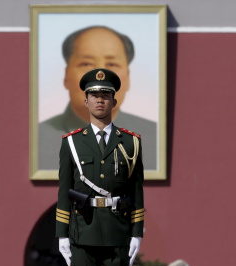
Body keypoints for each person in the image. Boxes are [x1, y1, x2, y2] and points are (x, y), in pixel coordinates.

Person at [56, 68, 144, 266]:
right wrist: (62, 234)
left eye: (105, 96)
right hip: (82, 234)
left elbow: (136, 191)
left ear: (114, 101)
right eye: (94, 96)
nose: (100, 100)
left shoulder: (132, 143)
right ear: (86, 101)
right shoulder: (71, 142)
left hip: (118, 234)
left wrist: (136, 233)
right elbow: (64, 191)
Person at [39, 25, 157, 171]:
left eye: (112, 64)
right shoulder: (39, 138)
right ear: (66, 76)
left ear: (128, 77)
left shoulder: (153, 137)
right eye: (86, 63)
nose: (100, 77)